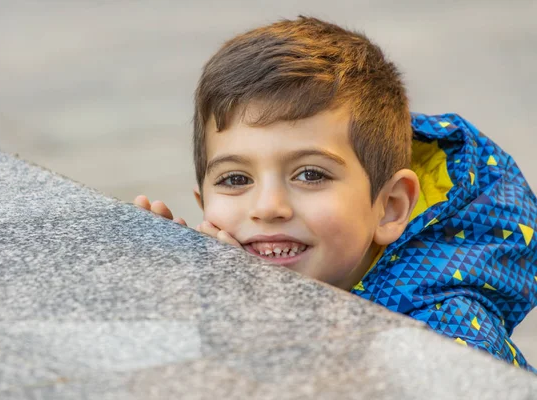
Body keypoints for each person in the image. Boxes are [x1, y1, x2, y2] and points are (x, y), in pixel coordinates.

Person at [134, 16, 537, 371]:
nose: (268, 207)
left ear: (389, 207)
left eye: (310, 174)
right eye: (236, 179)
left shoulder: (448, 332)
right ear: (204, 203)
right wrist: (166, 297)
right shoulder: (237, 290)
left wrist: (283, 319)